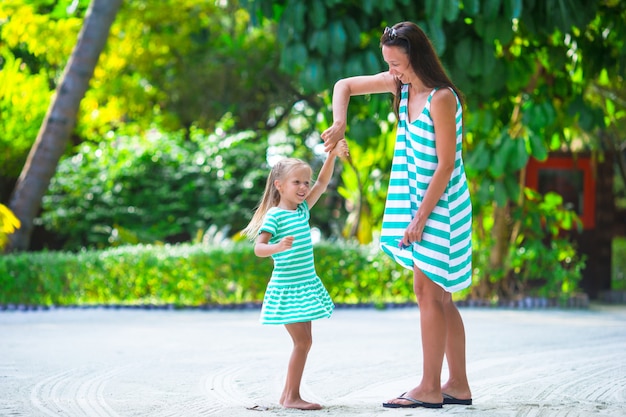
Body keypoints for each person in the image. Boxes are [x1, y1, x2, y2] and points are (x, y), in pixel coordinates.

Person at [321, 21, 473, 409]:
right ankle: (458, 384)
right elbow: (344, 86)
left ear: (417, 57)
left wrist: (420, 218)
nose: (392, 71)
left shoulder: (442, 98)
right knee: (440, 296)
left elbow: (445, 165)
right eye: (388, 64)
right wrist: (340, 122)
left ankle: (429, 387)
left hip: (442, 205)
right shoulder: (399, 86)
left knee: (428, 292)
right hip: (419, 201)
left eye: (398, 64)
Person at [242, 139, 349, 410]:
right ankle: (291, 397)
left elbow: (322, 184)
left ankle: (288, 395)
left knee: (305, 341)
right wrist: (276, 247)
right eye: (297, 183)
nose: (304, 188)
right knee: (302, 342)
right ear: (279, 185)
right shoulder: (275, 217)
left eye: (305, 182)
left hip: (305, 284)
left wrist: (332, 155)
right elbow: (259, 248)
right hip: (288, 288)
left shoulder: (301, 211)